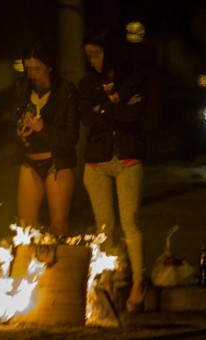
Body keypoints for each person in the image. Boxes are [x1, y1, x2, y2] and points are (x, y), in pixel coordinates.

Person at [77, 28, 148, 313]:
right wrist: (114, 106)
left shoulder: (135, 80)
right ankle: (110, 278)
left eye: (95, 54)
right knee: (104, 227)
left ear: (110, 54)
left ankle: (138, 282)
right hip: (97, 162)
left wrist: (103, 110)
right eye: (88, 56)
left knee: (130, 221)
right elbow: (87, 118)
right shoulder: (86, 85)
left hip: (128, 159)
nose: (92, 60)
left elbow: (135, 115)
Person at [10, 42, 79, 239]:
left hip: (56, 162)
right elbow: (13, 120)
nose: (32, 74)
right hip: (30, 160)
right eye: (28, 68)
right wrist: (19, 130)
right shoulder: (23, 88)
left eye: (37, 69)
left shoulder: (66, 92)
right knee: (25, 226)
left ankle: (60, 265)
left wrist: (42, 129)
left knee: (58, 224)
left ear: (49, 66)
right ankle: (29, 267)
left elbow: (70, 138)